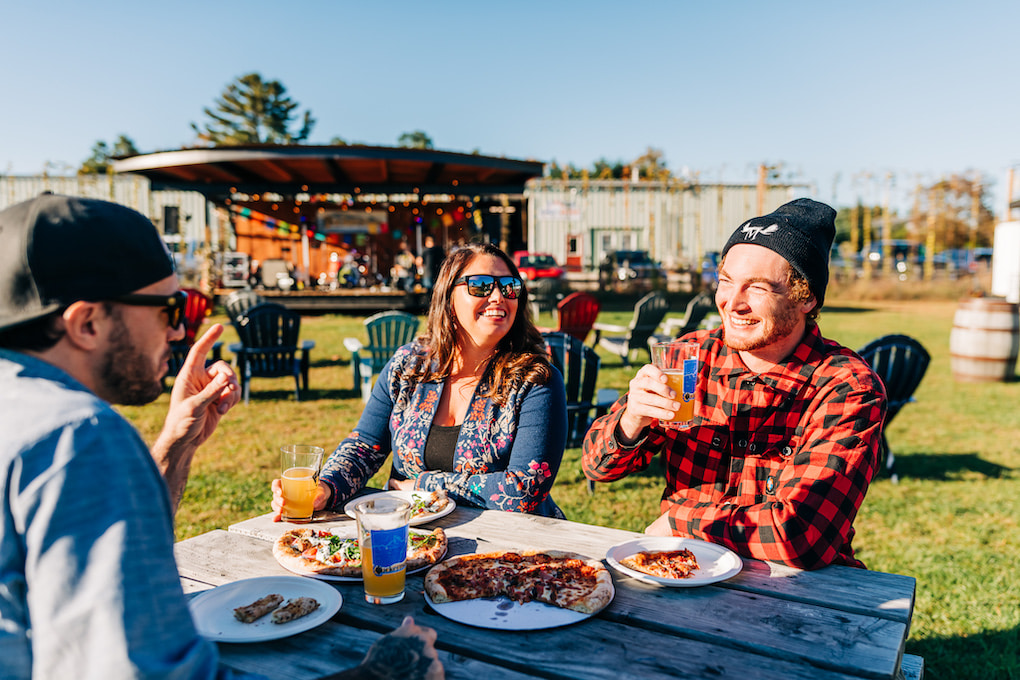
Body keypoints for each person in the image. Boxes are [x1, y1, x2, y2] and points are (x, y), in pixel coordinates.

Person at [0, 194, 444, 680]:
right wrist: (379, 676)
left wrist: (175, 444)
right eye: (172, 309)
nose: (179, 333)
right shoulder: (78, 437)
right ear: (87, 322)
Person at [582, 198, 888, 570]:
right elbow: (597, 467)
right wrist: (632, 421)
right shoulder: (687, 358)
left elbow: (803, 536)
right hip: (684, 572)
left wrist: (682, 522)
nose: (731, 303)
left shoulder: (844, 386)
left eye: (757, 288)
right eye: (725, 282)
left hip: (801, 590)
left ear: (805, 296)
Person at [271, 242, 568, 519]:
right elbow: (366, 445)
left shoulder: (536, 379)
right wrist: (325, 487)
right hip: (413, 542)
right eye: (480, 286)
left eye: (509, 286)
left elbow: (524, 490)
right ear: (448, 297)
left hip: (514, 557)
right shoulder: (409, 367)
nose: (498, 296)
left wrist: (422, 485)